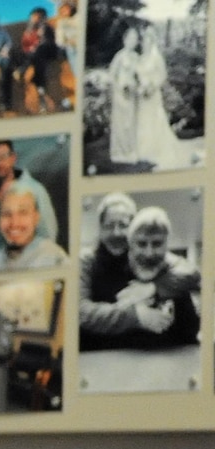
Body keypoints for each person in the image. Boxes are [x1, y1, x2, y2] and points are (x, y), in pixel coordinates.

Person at [83, 202, 202, 350]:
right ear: (130, 244)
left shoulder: (176, 280)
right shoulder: (108, 274)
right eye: (141, 244)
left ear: (166, 245)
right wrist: (136, 316)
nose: (149, 253)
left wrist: (153, 288)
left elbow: (190, 337)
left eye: (157, 244)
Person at [80, 191, 139, 341]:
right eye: (109, 226)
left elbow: (185, 273)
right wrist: (135, 315)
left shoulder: (144, 258)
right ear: (100, 228)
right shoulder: (86, 261)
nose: (116, 233)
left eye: (123, 225)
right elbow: (80, 311)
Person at [132, 25, 193, 169]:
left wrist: (152, 86)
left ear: (152, 41)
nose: (145, 42)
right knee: (142, 121)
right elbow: (138, 75)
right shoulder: (141, 57)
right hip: (142, 95)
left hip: (153, 94)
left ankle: (156, 150)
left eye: (148, 39)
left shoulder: (156, 57)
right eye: (144, 39)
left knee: (154, 120)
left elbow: (162, 76)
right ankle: (142, 151)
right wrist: (140, 87)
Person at [0, 139, 58, 251]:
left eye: (3, 157)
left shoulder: (35, 189)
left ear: (13, 158)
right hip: (2, 263)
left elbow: (48, 231)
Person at [0, 185, 68, 270]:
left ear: (36, 218)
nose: (14, 223)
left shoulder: (54, 258)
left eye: (23, 212)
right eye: (6, 214)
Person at [110, 27, 144, 166]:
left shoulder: (136, 57)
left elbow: (141, 75)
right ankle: (119, 152)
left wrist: (138, 85)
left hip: (132, 93)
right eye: (130, 38)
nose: (133, 41)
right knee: (120, 123)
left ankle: (130, 151)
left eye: (135, 39)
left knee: (130, 122)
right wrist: (120, 86)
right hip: (120, 94)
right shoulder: (119, 56)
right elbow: (112, 75)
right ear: (125, 40)